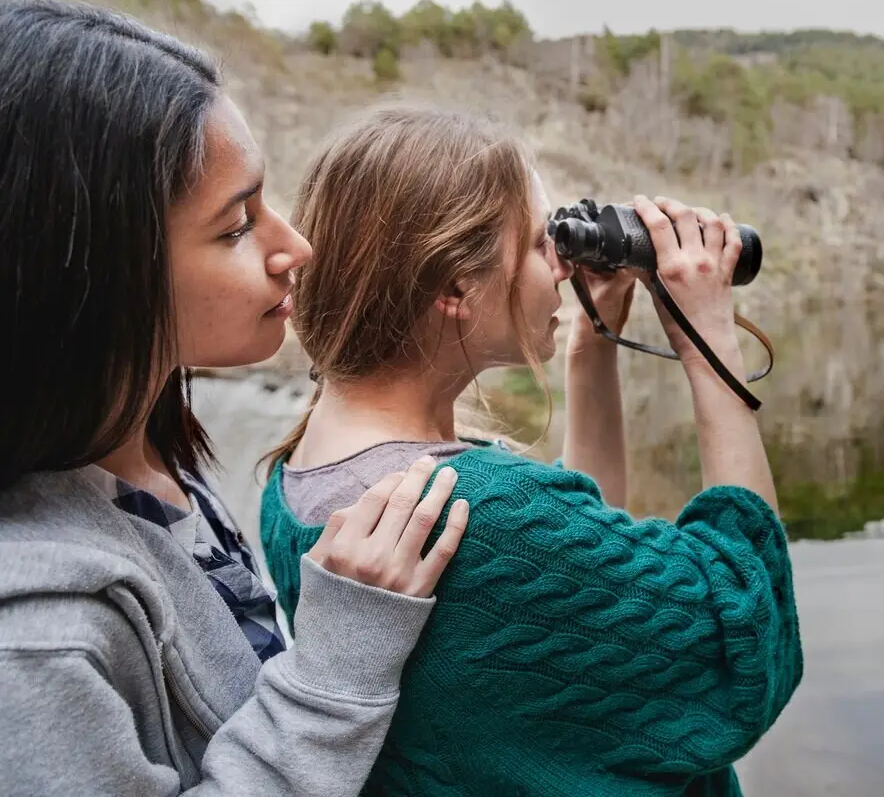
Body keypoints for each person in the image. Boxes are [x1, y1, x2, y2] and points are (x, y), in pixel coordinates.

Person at [0, 0, 473, 797]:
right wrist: (336, 664)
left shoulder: (133, 451)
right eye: (234, 228)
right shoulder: (33, 641)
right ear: (83, 274)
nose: (297, 248)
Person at [257, 104, 804, 796]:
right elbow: (749, 640)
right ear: (457, 285)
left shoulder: (300, 472)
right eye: (544, 243)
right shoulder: (484, 515)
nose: (564, 267)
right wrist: (710, 342)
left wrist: (591, 346)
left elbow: (577, 553)